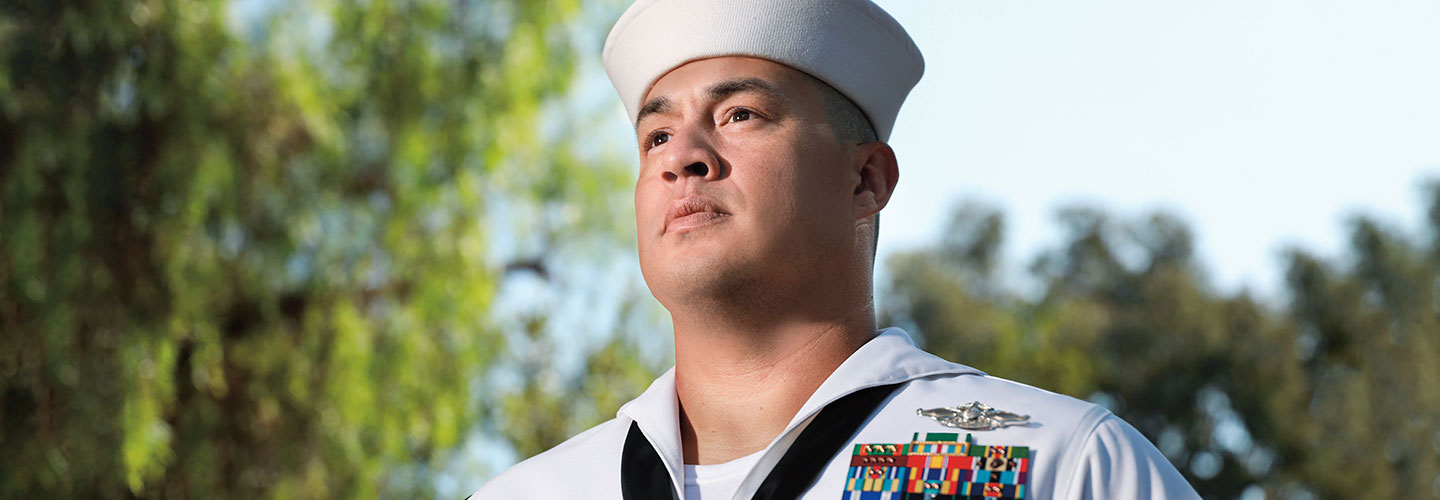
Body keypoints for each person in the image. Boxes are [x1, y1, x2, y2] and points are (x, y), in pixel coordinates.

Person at [471, 0, 1199, 498]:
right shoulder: (531, 493)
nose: (681, 156)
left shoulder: (1054, 467)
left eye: (740, 114)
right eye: (656, 135)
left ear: (865, 179)